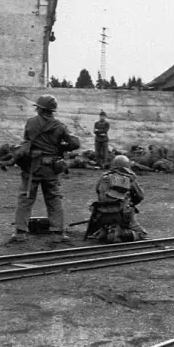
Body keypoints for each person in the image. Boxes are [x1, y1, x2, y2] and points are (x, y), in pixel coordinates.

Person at [10, 94, 80, 243]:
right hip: (52, 167)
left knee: (26, 198)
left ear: (40, 109)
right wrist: (60, 146)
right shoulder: (60, 126)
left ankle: (20, 232)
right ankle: (57, 233)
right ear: (52, 110)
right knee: (54, 198)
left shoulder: (30, 123)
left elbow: (26, 141)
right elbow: (75, 144)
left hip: (32, 167)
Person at [87, 155, 148, 243]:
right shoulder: (129, 178)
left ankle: (105, 231)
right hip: (122, 214)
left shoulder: (104, 177)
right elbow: (140, 196)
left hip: (101, 214)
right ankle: (119, 233)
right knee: (141, 233)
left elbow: (98, 192)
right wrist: (130, 203)